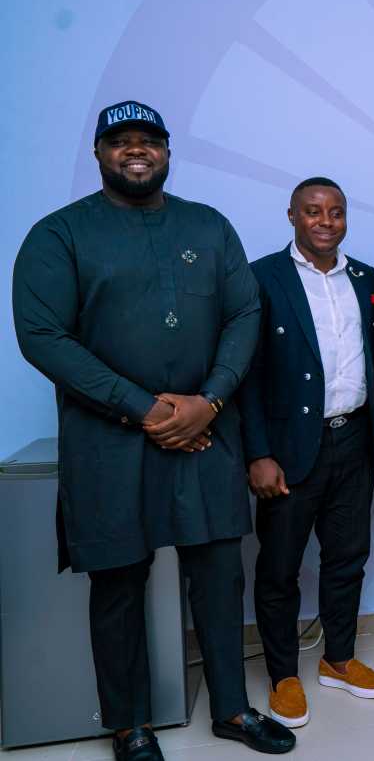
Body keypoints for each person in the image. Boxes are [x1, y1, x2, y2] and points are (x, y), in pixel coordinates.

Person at [12, 100, 295, 759]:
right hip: (109, 442)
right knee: (118, 582)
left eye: (148, 141)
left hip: (207, 433)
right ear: (99, 153)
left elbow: (244, 313)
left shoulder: (209, 226)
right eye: (120, 141)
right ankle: (129, 724)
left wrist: (211, 400)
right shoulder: (60, 235)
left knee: (220, 573)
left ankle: (231, 706)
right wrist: (146, 408)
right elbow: (43, 335)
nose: (135, 151)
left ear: (168, 152)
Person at [238, 177, 374, 727]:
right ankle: (284, 674)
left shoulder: (365, 279)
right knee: (280, 568)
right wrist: (257, 453)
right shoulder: (263, 278)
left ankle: (338, 658)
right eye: (313, 211)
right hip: (288, 451)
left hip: (354, 440)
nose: (326, 221)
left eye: (335, 211)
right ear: (292, 216)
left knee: (346, 559)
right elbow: (250, 375)